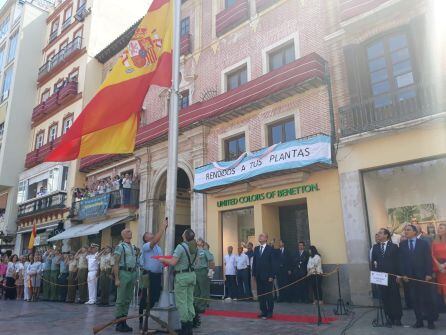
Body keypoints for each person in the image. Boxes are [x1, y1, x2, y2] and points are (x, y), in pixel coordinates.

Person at [159, 228, 197, 335]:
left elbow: (173, 261)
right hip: (192, 275)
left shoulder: (181, 247)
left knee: (181, 303)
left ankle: (185, 328)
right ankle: (189, 327)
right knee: (190, 300)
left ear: (184, 236)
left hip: (182, 276)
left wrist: (162, 259)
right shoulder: (195, 248)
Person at [399, 224, 436, 329]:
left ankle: (430, 321)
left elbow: (428, 259)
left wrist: (429, 274)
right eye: (405, 230)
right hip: (409, 278)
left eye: (408, 230)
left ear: (415, 232)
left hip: (423, 276)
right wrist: (403, 275)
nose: (406, 232)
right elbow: (401, 262)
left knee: (426, 299)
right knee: (415, 300)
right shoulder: (402, 245)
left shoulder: (423, 244)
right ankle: (419, 321)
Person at [139, 219, 167, 329]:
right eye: (149, 234)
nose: (152, 234)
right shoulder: (146, 246)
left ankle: (148, 314)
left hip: (157, 275)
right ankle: (141, 318)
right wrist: (162, 227)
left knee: (155, 297)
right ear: (146, 238)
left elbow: (159, 260)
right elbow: (155, 240)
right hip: (148, 275)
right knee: (145, 297)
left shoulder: (158, 248)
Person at [371, 228, 402, 326]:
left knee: (395, 297)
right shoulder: (375, 247)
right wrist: (374, 275)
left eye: (380, 233)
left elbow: (398, 262)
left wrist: (398, 275)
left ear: (386, 235)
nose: (378, 235)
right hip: (381, 278)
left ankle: (397, 317)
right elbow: (373, 262)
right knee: (385, 298)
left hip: (392, 277)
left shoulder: (394, 247)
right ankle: (389, 317)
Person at [113, 228, 138, 332]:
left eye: (130, 231)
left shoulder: (132, 247)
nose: (130, 232)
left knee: (128, 298)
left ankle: (124, 321)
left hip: (132, 273)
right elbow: (116, 263)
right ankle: (119, 322)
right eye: (128, 231)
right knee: (121, 299)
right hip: (123, 273)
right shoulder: (120, 247)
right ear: (123, 235)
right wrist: (117, 278)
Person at [252, 233, 275, 319]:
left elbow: (273, 263)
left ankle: (270, 312)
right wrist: (253, 274)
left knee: (268, 295)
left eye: (261, 236)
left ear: (266, 238)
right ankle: (263, 311)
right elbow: (254, 262)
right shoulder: (256, 249)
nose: (259, 237)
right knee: (260, 295)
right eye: (259, 236)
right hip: (258, 276)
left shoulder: (270, 249)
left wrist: (271, 275)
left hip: (267, 276)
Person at [193, 238, 214, 328]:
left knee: (203, 290)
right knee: (196, 290)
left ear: (202, 243)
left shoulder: (205, 251)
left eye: (200, 241)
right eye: (197, 241)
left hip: (202, 271)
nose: (198, 242)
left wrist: (210, 271)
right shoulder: (194, 251)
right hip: (195, 271)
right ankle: (196, 305)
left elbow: (210, 259)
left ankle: (202, 306)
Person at [432, 223, 446, 305]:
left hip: (444, 268)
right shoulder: (434, 241)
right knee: (443, 292)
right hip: (439, 270)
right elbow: (432, 255)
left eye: (441, 228)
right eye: (438, 228)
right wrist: (439, 266)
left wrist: (444, 265)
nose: (438, 229)